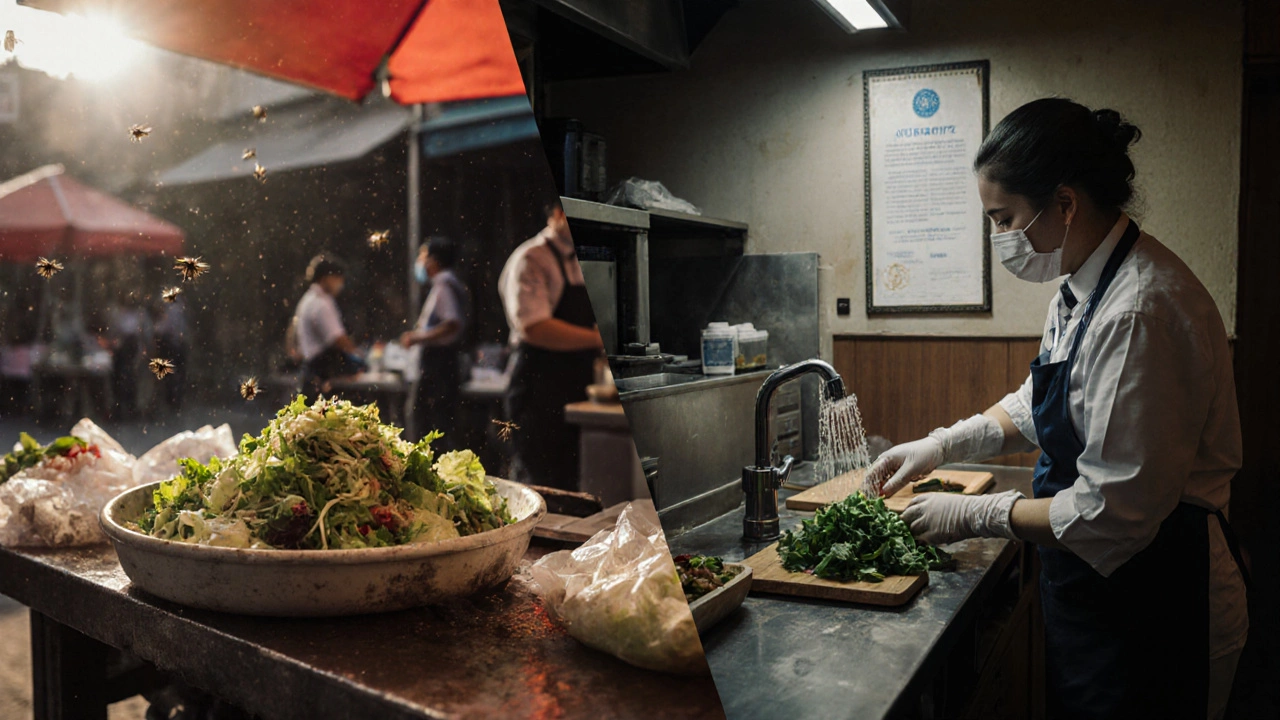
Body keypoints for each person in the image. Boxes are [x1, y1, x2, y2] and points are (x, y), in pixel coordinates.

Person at [863, 99, 1247, 720]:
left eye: (1005, 219)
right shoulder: (1080, 286)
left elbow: (1112, 511)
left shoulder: (1138, 311)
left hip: (1160, 599)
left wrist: (975, 513)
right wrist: (942, 445)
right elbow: (1042, 402)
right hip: (1099, 593)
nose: (1000, 240)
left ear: (1065, 204)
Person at [498, 201, 604, 490]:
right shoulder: (532, 257)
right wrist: (597, 339)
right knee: (540, 484)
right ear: (558, 214)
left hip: (575, 386)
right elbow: (535, 327)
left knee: (573, 483)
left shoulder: (577, 260)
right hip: (538, 389)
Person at [401, 236, 469, 448]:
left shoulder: (443, 286)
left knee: (428, 425)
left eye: (423, 255)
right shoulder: (451, 284)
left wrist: (417, 337)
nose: (420, 261)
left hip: (438, 365)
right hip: (443, 364)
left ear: (435, 260)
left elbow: (452, 324)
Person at [291, 254, 363, 399]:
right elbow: (337, 339)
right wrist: (359, 354)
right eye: (338, 278)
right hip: (319, 375)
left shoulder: (307, 299)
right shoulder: (321, 303)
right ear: (326, 278)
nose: (340, 283)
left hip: (309, 371)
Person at [151, 294, 188, 415]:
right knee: (176, 375)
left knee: (171, 375)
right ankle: (175, 401)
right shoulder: (179, 309)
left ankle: (173, 401)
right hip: (178, 345)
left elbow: (161, 329)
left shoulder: (172, 310)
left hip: (172, 346)